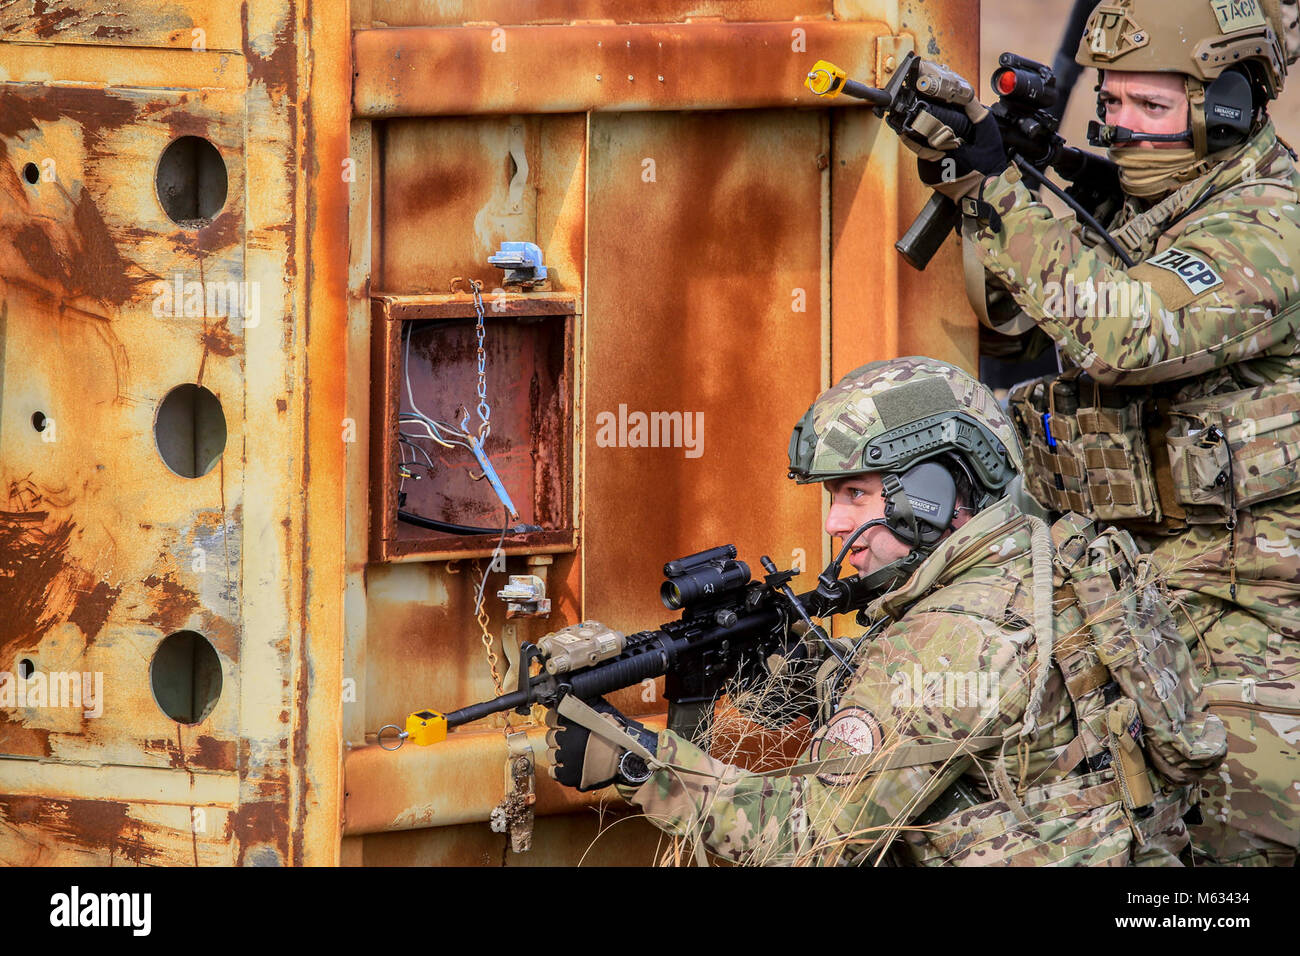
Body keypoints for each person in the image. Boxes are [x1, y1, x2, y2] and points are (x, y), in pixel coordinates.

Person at [543, 358, 1219, 865]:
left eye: (856, 495)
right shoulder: (1055, 557)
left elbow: (811, 839)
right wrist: (822, 671)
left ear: (932, 492)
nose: (835, 522)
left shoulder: (946, 639)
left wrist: (637, 763)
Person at [905, 0, 1300, 866]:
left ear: (1226, 108)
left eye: (1152, 110)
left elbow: (1121, 332)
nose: (1125, 135)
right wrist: (990, 154)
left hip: (1251, 614)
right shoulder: (1146, 204)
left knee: (1225, 843)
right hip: (1123, 590)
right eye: (1113, 106)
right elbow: (1018, 312)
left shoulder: (1270, 225)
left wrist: (998, 187)